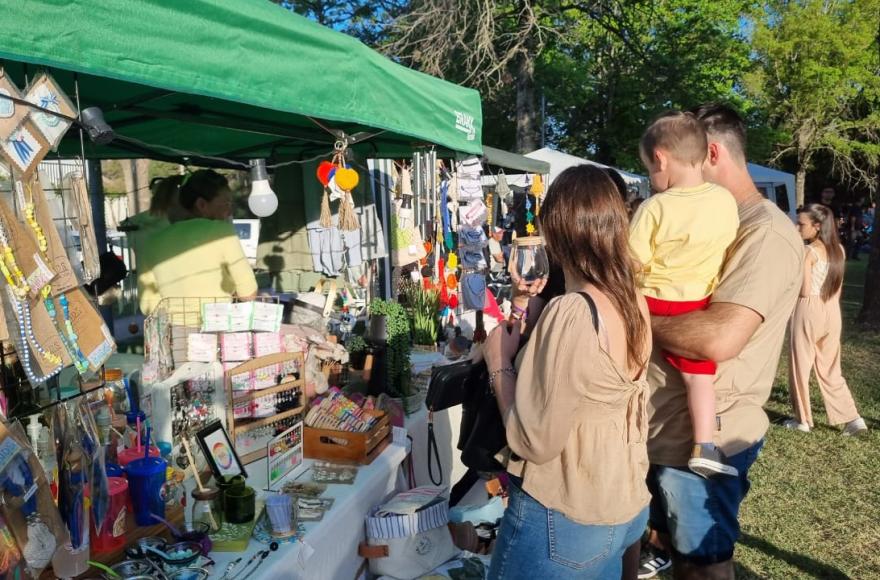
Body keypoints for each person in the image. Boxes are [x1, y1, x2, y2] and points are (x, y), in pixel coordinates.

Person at [639, 103, 803, 580]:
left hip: (708, 440)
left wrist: (631, 318)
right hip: (669, 432)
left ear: (710, 152)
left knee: (703, 566)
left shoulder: (765, 233)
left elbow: (717, 339)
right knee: (674, 553)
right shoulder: (710, 221)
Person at [483, 164, 652, 580]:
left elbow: (533, 440)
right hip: (618, 500)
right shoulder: (632, 297)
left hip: (564, 513)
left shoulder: (575, 311)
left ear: (556, 230)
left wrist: (498, 365)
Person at [630, 111, 740, 478]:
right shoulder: (725, 202)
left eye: (649, 169)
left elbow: (633, 261)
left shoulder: (655, 207)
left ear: (661, 158)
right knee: (700, 379)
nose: (651, 177)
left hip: (651, 300)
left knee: (633, 366)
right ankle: (704, 445)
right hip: (696, 306)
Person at [785, 204, 868, 435]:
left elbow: (804, 290)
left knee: (800, 365)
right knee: (831, 367)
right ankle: (853, 418)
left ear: (817, 226)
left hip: (808, 308)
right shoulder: (839, 250)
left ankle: (803, 419)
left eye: (801, 224)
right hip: (832, 310)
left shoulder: (808, 252)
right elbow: (837, 289)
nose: (797, 227)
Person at [138, 169, 257, 316]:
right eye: (226, 203)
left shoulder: (152, 242)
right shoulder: (222, 232)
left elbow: (147, 304)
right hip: (217, 327)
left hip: (173, 333)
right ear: (201, 204)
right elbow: (248, 293)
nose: (230, 211)